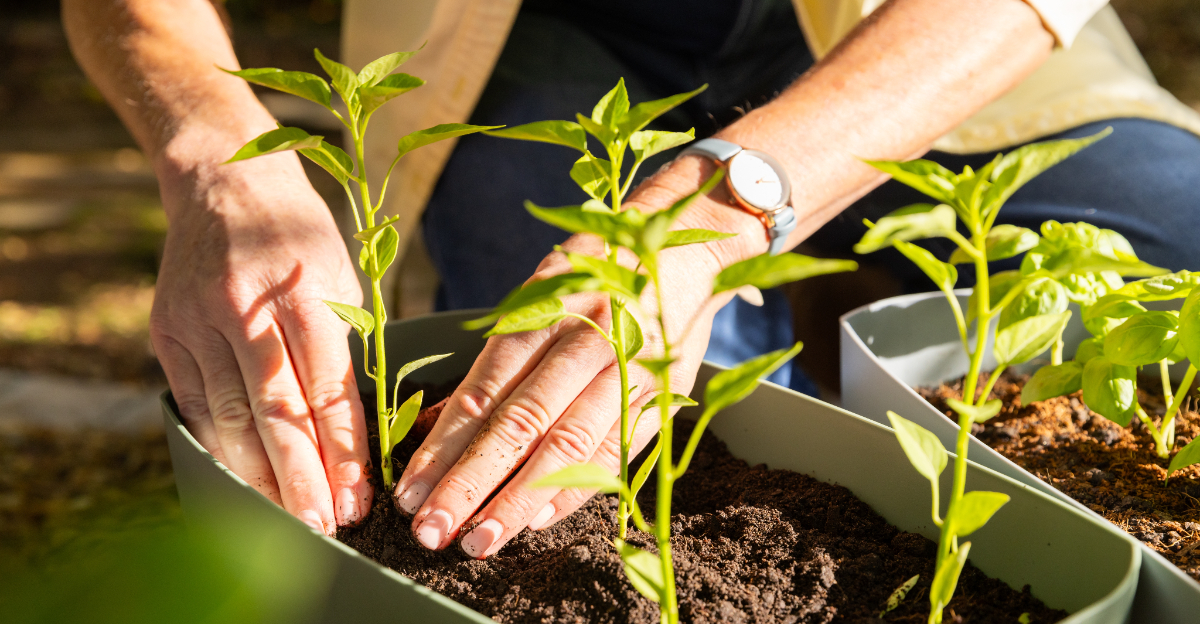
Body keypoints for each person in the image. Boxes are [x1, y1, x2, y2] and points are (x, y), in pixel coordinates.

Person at [63, 0, 1200, 561]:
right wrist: (214, 152)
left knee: (1171, 261)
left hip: (921, 35)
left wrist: (721, 208)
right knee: (545, 424)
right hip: (534, 32)